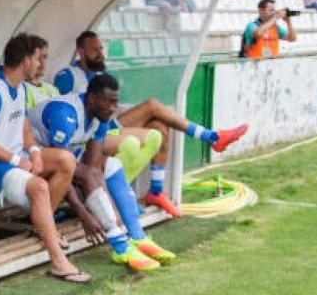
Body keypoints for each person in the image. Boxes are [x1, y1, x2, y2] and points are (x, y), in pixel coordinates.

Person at [53, 31, 248, 217]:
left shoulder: (99, 74)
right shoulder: (67, 76)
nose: (100, 53)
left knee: (159, 126)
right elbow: (69, 111)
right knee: (152, 106)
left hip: (108, 125)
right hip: (90, 135)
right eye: (95, 50)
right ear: (81, 51)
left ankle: (156, 191)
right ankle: (211, 137)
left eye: (101, 49)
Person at [0, 33, 89, 283]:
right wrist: (17, 160)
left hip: (11, 157)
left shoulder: (19, 87)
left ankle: (46, 230)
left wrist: (33, 151)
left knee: (66, 160)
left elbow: (22, 125)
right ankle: (58, 261)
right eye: (38, 59)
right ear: (24, 60)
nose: (42, 65)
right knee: (39, 186)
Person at [29, 74, 175, 273]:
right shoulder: (66, 114)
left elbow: (93, 166)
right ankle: (121, 247)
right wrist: (83, 213)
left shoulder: (102, 116)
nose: (114, 108)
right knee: (85, 174)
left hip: (59, 160)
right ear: (91, 99)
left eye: (116, 102)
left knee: (111, 165)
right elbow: (64, 172)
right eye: (110, 102)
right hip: (29, 159)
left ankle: (137, 236)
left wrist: (101, 200)